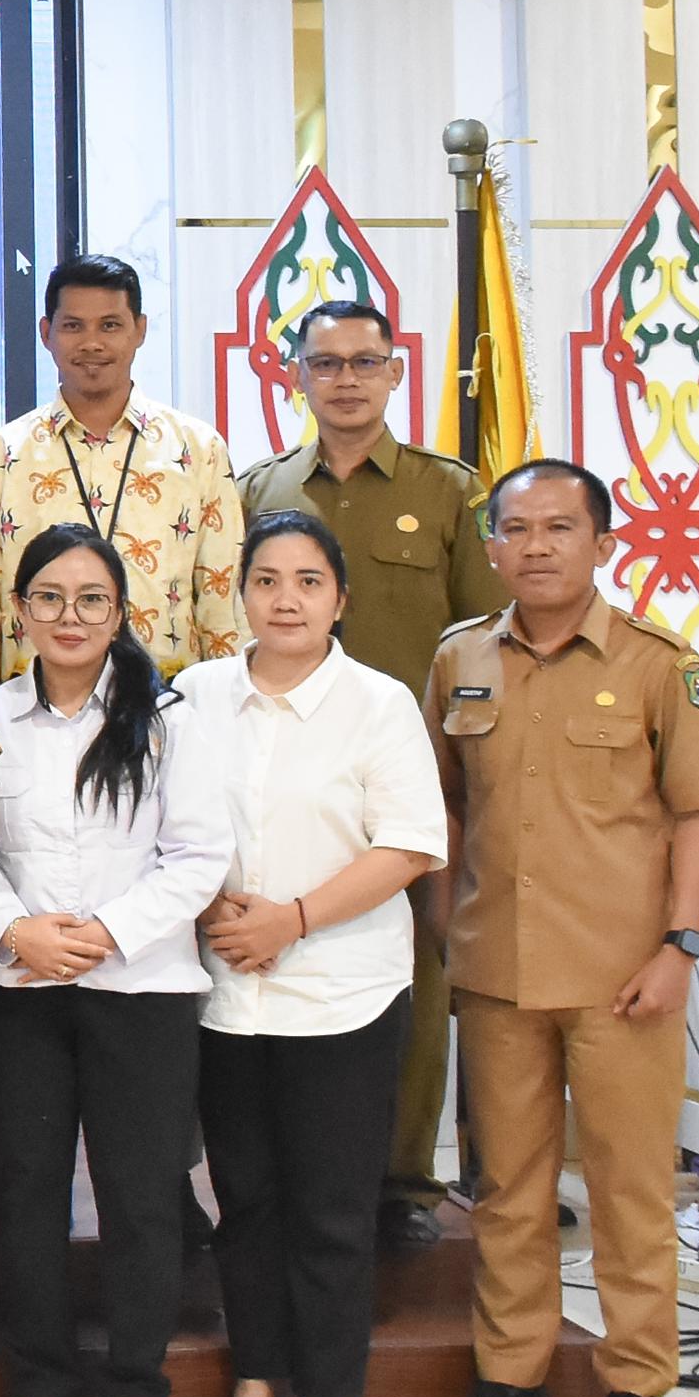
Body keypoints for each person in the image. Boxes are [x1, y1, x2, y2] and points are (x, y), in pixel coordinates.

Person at [431, 460, 699, 1397]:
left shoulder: (658, 663)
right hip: (495, 973)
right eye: (514, 528)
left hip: (621, 977)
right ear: (491, 547)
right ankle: (510, 1378)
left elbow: (698, 813)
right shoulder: (459, 659)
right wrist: (446, 932)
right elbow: (446, 809)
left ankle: (635, 1391)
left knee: (627, 1191)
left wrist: (678, 946)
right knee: (506, 1193)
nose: (536, 546)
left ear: (601, 542)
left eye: (559, 527)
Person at [0, 523, 228, 1397]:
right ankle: (41, 1389)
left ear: (119, 614)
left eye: (91, 599)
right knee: (25, 1197)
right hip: (19, 992)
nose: (69, 616)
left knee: (143, 1200)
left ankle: (136, 1394)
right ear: (18, 611)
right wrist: (17, 930)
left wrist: (103, 933)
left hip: (140, 989)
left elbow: (198, 856)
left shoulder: (168, 718)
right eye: (49, 598)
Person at [184, 510, 446, 1397]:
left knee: (330, 1208)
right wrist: (216, 905)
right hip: (222, 993)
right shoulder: (195, 696)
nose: (283, 598)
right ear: (239, 592)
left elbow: (408, 845)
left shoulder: (376, 705)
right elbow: (166, 822)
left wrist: (288, 918)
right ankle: (255, 1379)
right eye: (264, 579)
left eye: (305, 580)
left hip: (340, 994)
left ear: (339, 597)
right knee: (243, 1201)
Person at [240, 299, 506, 1248]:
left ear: (397, 373)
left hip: (412, 773)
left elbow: (488, 640)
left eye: (365, 362)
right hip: (280, 770)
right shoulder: (261, 487)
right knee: (273, 951)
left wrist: (473, 776)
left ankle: (401, 1182)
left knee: (415, 974)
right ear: (296, 376)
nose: (345, 379)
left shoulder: (449, 492)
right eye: (325, 363)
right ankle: (268, 1166)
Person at [0, 255, 244, 681]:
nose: (91, 343)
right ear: (47, 333)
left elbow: (222, 606)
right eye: (73, 326)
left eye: (110, 326)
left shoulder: (197, 449)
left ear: (140, 330)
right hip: (32, 709)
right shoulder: (1, 455)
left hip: (166, 706)